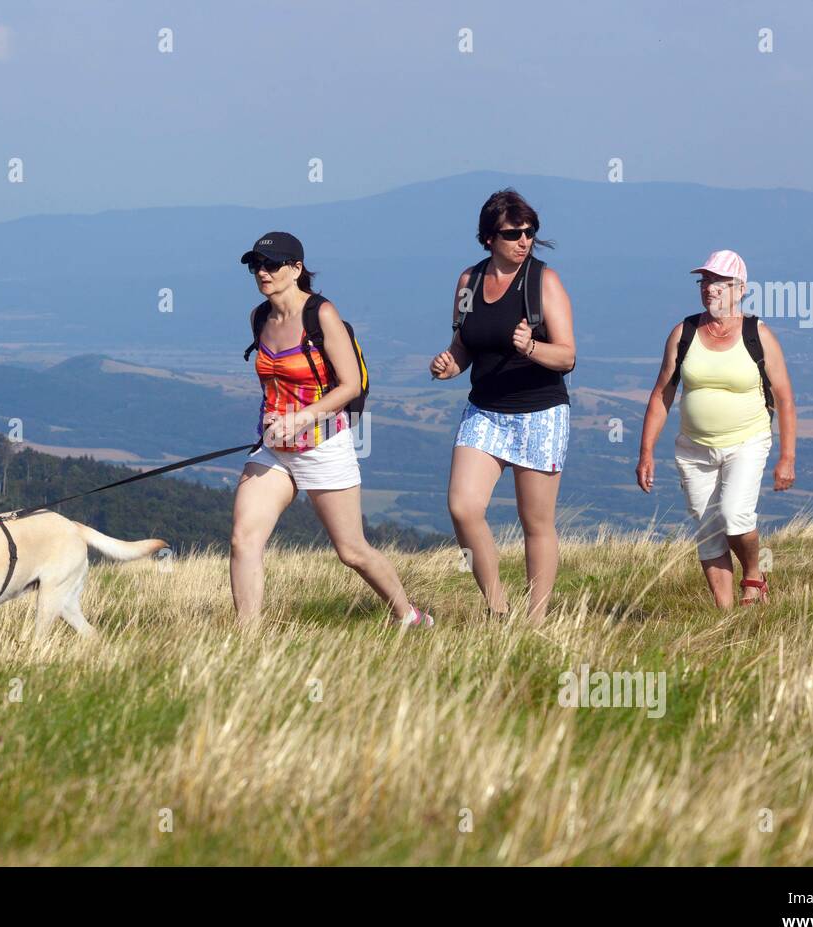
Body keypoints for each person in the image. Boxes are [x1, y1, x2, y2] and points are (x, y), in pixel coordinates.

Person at [231, 231, 433, 627]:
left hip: (323, 445)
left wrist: (301, 418)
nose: (262, 273)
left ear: (296, 269)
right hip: (274, 447)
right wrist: (275, 420)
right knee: (244, 539)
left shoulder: (321, 315)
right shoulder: (259, 317)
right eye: (256, 265)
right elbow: (275, 382)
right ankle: (246, 641)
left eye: (271, 265)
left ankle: (407, 615)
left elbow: (351, 384)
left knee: (351, 550)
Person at [429, 190, 576, 623]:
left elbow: (567, 356)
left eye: (530, 231)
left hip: (540, 411)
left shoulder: (544, 282)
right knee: (462, 507)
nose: (524, 240)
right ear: (488, 238)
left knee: (536, 522)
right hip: (485, 411)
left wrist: (531, 347)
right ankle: (496, 608)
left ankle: (535, 619)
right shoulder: (467, 282)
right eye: (513, 233)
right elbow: (463, 345)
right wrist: (446, 364)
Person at [635, 250, 797, 607]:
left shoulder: (758, 334)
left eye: (719, 283)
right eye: (705, 282)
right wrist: (646, 452)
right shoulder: (684, 332)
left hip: (747, 441)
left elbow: (784, 397)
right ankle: (725, 617)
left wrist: (787, 457)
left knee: (734, 516)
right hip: (694, 448)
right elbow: (662, 392)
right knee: (709, 532)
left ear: (741, 289)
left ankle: (753, 574)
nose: (710, 289)